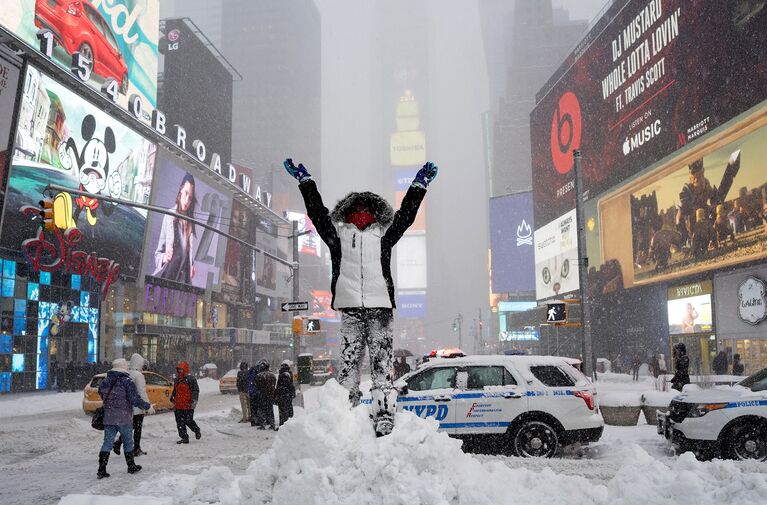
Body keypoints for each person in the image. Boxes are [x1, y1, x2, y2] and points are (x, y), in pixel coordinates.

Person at [284, 158, 436, 436]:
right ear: (349, 212)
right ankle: (345, 412)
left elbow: (406, 214)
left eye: (367, 210)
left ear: (376, 213)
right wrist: (305, 182)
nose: (362, 214)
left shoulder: (384, 234)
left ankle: (384, 414)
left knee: (382, 365)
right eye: (358, 209)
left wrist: (419, 185)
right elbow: (317, 212)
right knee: (349, 364)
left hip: (380, 308)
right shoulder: (338, 235)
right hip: (351, 308)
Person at [96, 358, 153, 479]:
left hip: (109, 418)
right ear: (123, 367)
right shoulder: (127, 381)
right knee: (128, 442)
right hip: (124, 417)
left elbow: (101, 393)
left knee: (107, 443)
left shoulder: (105, 381)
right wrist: (147, 406)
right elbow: (134, 399)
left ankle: (102, 469)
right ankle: (131, 466)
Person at [153, 173, 197, 283]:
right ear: (180, 190)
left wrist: (192, 265)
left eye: (190, 198)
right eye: (186, 193)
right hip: (166, 279)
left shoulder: (190, 223)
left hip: (182, 284)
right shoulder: (169, 216)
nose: (187, 201)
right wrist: (164, 257)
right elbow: (158, 254)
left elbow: (186, 254)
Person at [113, 353, 150, 457]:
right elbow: (141, 392)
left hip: (128, 406)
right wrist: (148, 405)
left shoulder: (128, 373)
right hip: (137, 407)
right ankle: (135, 448)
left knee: (130, 427)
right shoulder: (139, 375)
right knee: (137, 428)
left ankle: (119, 443)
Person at [170, 361, 201, 444]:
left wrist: (194, 401)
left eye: (181, 369)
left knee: (188, 421)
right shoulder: (177, 379)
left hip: (188, 405)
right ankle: (184, 437)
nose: (180, 371)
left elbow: (195, 391)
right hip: (178, 405)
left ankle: (196, 430)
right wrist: (172, 397)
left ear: (185, 369)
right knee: (179, 423)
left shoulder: (191, 379)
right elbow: (175, 390)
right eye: (179, 369)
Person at [254, 360, 277, 430]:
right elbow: (274, 385)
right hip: (270, 395)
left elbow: (257, 386)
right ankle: (272, 424)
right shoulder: (272, 375)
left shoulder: (259, 376)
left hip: (261, 395)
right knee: (270, 409)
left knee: (261, 410)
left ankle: (262, 424)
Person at [274, 360, 296, 426]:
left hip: (283, 396)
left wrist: (277, 393)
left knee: (283, 411)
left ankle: (283, 425)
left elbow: (281, 386)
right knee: (287, 409)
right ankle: (287, 424)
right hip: (287, 395)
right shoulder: (289, 374)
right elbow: (291, 385)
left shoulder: (284, 374)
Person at [247, 361, 261, 427]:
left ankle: (254, 422)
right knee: (257, 407)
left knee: (253, 408)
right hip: (256, 392)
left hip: (251, 392)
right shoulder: (256, 372)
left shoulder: (251, 371)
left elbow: (248, 381)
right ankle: (257, 421)